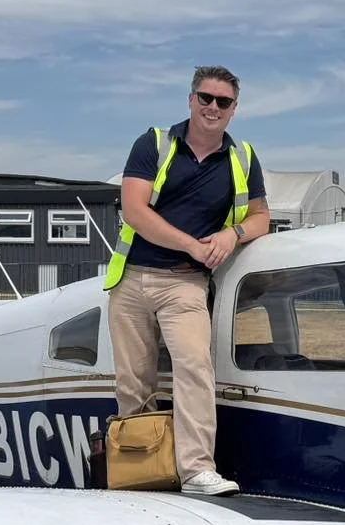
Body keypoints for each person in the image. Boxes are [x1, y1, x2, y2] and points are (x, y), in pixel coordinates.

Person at [104, 65, 269, 495]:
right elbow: (135, 212)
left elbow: (261, 218)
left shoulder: (243, 157)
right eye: (205, 98)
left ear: (234, 110)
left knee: (195, 368)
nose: (213, 107)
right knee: (133, 382)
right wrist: (193, 245)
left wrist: (231, 235)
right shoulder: (153, 144)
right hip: (133, 280)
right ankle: (138, 472)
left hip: (185, 285)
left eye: (223, 101)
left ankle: (196, 470)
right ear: (191, 99)